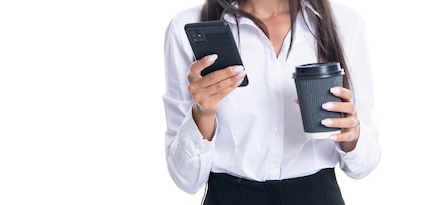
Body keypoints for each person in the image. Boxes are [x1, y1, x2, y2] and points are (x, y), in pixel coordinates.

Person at [162, 0, 381, 204]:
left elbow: (364, 165)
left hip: (317, 195)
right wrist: (202, 113)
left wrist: (352, 137)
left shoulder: (343, 23)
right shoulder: (186, 27)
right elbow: (186, 179)